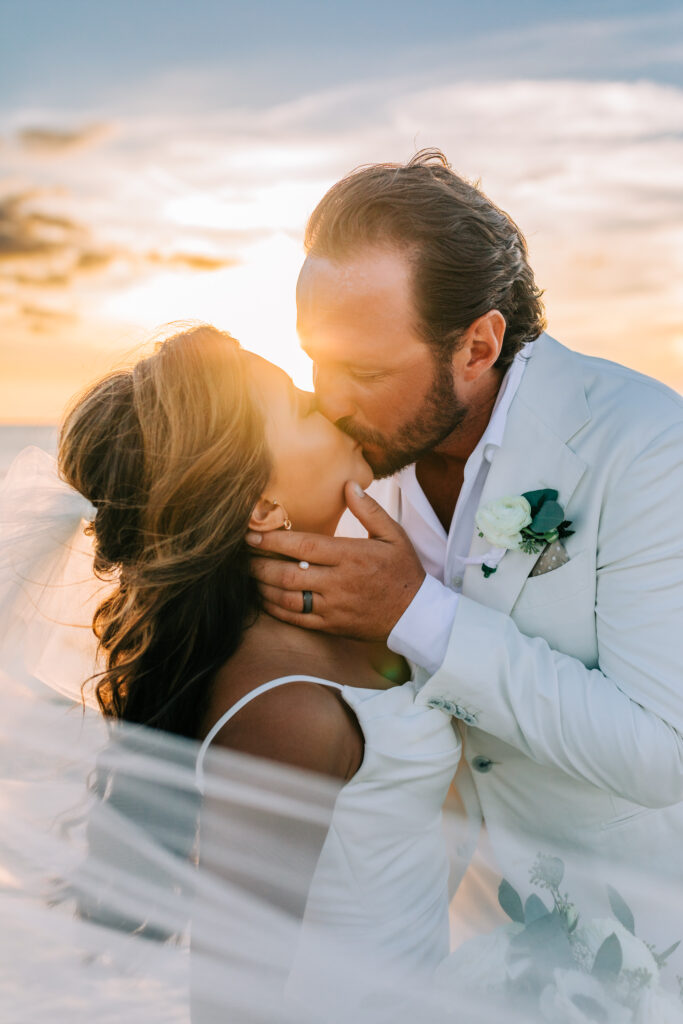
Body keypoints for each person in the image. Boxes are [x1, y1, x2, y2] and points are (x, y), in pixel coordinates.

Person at [248, 149, 683, 951]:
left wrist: (416, 612)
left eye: (363, 369)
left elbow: (663, 752)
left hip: (631, 942)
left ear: (478, 347)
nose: (329, 398)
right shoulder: (335, 464)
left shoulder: (644, 445)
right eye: (313, 358)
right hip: (445, 945)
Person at [20, 323, 462, 1015]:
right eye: (302, 408)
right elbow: (234, 999)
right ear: (261, 507)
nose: (330, 403)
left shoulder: (324, 625)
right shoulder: (283, 712)